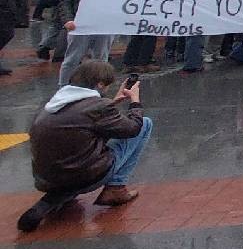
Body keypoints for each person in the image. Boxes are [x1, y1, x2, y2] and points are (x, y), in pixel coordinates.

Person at [19, 61, 152, 232]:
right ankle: (116, 188)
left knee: (72, 164)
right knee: (145, 124)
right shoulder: (97, 107)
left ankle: (54, 199)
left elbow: (84, 125)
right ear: (100, 84)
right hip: (83, 174)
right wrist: (135, 102)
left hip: (46, 178)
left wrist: (111, 103)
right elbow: (132, 128)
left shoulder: (53, 103)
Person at [57, 0, 113, 87]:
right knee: (72, 59)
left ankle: (96, 88)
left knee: (101, 60)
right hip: (80, 25)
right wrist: (68, 20)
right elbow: (65, 1)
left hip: (104, 25)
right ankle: (63, 87)